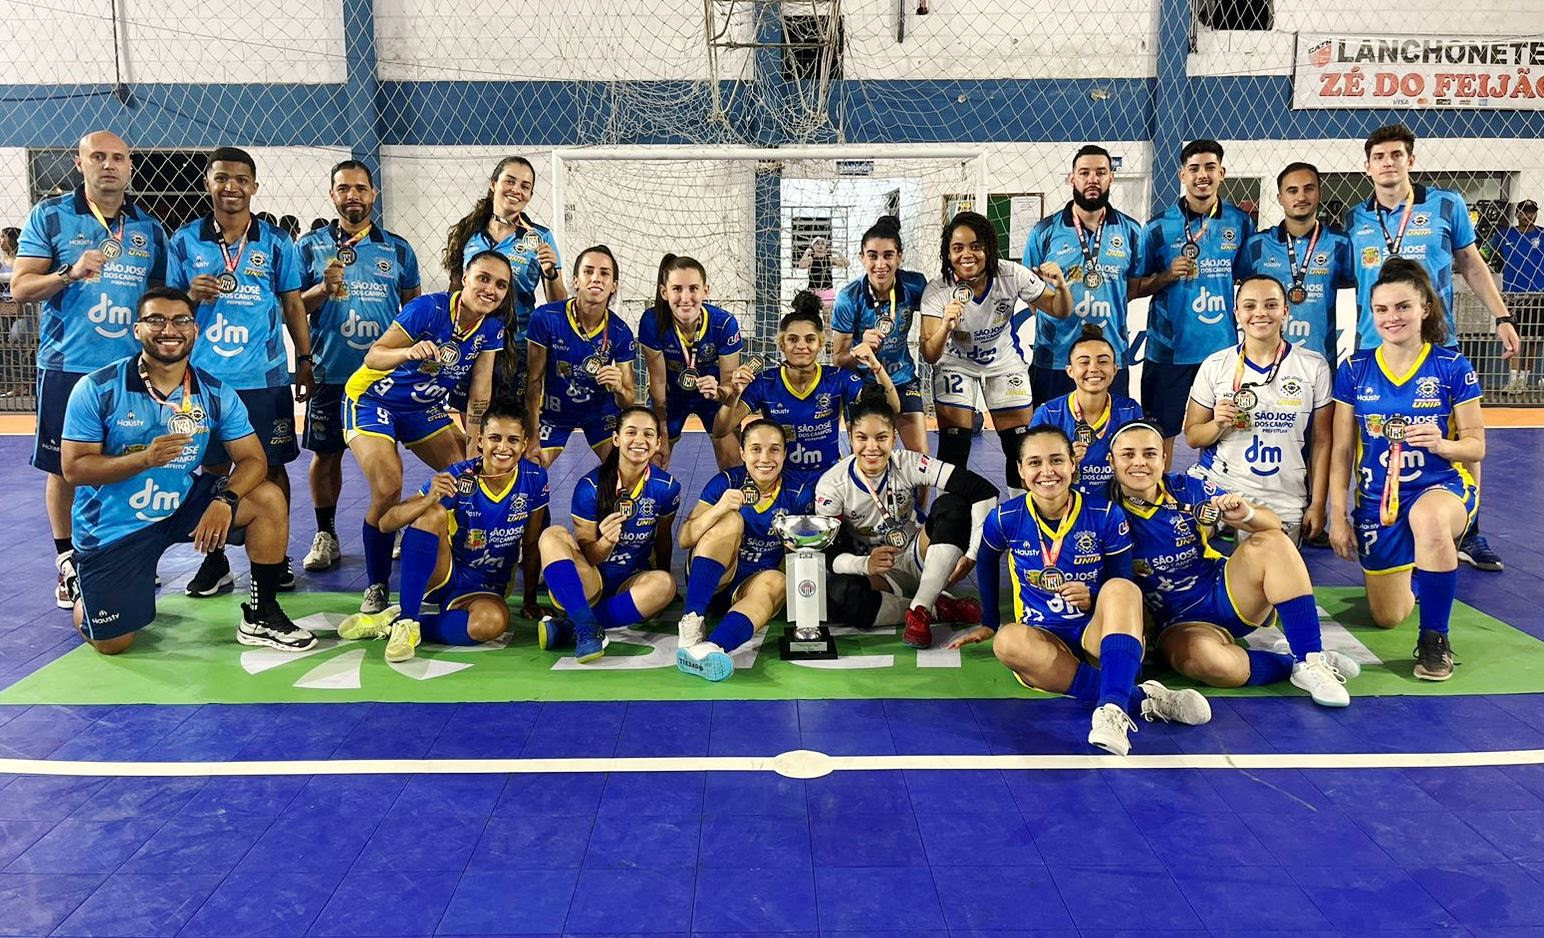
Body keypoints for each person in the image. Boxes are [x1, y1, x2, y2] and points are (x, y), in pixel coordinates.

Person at [59, 287, 315, 654]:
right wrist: (143, 459)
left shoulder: (213, 392)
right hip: (116, 527)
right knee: (113, 643)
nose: (169, 329)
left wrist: (225, 500)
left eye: (181, 320)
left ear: (195, 330)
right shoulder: (97, 388)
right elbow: (74, 468)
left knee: (268, 498)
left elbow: (253, 459)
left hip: (178, 505)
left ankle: (262, 613)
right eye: (156, 320)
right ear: (137, 329)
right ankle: (86, 586)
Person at [947, 426, 1212, 756]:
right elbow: (986, 562)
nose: (1047, 472)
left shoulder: (1103, 513)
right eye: (1034, 463)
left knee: (1120, 589)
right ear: (1020, 471)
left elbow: (1123, 579)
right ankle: (1139, 698)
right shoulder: (1005, 518)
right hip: (1044, 637)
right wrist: (989, 619)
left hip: (1095, 632)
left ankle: (1111, 711)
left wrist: (1094, 595)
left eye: (1057, 460)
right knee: (1007, 641)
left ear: (1073, 464)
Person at [1347, 123, 1516, 572]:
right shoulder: (1356, 219)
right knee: (1377, 440)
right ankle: (1376, 514)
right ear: (1367, 167)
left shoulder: (1446, 204)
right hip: (1374, 349)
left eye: (1396, 155)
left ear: (1410, 161)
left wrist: (1501, 316)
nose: (1388, 163)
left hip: (1437, 343)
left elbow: (1472, 265)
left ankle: (1469, 529)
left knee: (1457, 439)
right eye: (1379, 156)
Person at [12, 131, 168, 610]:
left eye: (118, 158)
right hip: (69, 366)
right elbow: (20, 289)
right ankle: (67, 563)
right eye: (97, 157)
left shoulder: (148, 228)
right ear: (79, 164)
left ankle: (121, 552)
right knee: (64, 467)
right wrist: (69, 273)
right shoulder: (51, 216)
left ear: (130, 166)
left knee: (130, 459)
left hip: (130, 370)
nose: (108, 166)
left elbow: (158, 300)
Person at [1109, 420, 1356, 706]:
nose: (1139, 462)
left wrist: (1246, 514)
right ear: (1111, 461)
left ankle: (1310, 658)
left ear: (1164, 458)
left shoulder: (1187, 487)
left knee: (1273, 542)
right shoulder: (1100, 508)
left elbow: (1273, 523)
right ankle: (1291, 664)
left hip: (1223, 592)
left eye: (1149, 454)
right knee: (1212, 665)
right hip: (1178, 623)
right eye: (1128, 454)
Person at [166, 146, 315, 598]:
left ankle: (276, 555)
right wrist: (189, 294)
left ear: (254, 186)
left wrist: (304, 361)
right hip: (204, 379)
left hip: (264, 376)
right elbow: (167, 309)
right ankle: (216, 562)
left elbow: (293, 304)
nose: (230, 186)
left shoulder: (274, 241)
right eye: (221, 178)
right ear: (207, 184)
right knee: (211, 468)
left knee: (270, 469)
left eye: (240, 179)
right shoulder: (185, 241)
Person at [1328, 259, 1485, 682]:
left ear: (1424, 310)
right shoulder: (1355, 369)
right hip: (1378, 500)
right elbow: (1342, 448)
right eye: (1381, 309)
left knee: (1430, 520)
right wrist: (1336, 514)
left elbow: (1476, 444)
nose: (1391, 317)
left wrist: (1442, 444)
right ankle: (1425, 571)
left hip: (1440, 487)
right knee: (1387, 616)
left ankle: (1436, 638)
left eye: (1402, 307)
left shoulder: (1451, 367)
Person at [344, 250, 510, 614]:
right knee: (388, 485)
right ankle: (377, 583)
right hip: (374, 399)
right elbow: (374, 356)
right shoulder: (427, 309)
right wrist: (407, 353)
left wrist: (473, 440)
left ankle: (435, 546)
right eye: (483, 278)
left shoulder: (492, 328)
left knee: (462, 471)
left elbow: (481, 389)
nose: (490, 289)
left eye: (500, 285)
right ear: (465, 278)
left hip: (423, 408)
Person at [335, 401, 547, 662]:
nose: (503, 447)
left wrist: (529, 600)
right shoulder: (460, 475)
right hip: (445, 573)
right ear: (480, 441)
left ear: (524, 444)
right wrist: (427, 499)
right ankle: (408, 621)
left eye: (512, 440)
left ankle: (396, 622)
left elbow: (533, 540)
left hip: (487, 586)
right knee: (432, 513)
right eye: (495, 438)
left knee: (490, 624)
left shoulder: (534, 478)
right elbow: (386, 523)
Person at [295, 160, 422, 573]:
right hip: (332, 370)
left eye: (361, 189)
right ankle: (326, 533)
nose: (353, 196)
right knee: (325, 454)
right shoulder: (310, 246)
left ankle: (394, 521)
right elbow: (292, 310)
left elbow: (415, 312)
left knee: (390, 454)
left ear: (374, 194)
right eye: (344, 188)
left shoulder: (398, 249)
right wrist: (321, 289)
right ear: (332, 194)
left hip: (384, 377)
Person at [813, 396, 998, 650]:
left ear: (894, 438)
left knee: (953, 504)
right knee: (838, 596)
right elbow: (829, 552)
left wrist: (973, 554)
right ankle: (934, 609)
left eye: (881, 437)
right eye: (862, 438)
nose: (871, 447)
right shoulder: (832, 484)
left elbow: (983, 490)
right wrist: (865, 563)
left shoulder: (907, 462)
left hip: (919, 553)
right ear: (851, 438)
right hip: (878, 570)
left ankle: (921, 606)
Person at [921, 211, 1071, 492]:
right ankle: (952, 520)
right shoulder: (938, 289)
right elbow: (929, 353)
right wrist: (945, 326)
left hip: (1002, 362)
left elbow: (1060, 309)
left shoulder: (1011, 274)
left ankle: (1021, 515)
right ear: (947, 253)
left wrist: (1061, 285)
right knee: (954, 445)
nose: (967, 255)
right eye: (958, 248)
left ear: (988, 247)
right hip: (956, 363)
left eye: (975, 246)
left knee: (1019, 445)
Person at [1184, 276, 1333, 544]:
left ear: (1285, 311)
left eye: (1271, 304)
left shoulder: (1313, 367)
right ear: (1237, 313)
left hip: (1282, 496)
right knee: (1184, 543)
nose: (1260, 313)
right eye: (1250, 306)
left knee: (1268, 567)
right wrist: (1217, 424)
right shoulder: (1216, 364)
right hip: (1217, 486)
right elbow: (1193, 437)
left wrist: (1319, 504)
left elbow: (1322, 441)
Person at [1137, 139, 1256, 467]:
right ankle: (1156, 499)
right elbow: (1133, 287)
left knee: (1227, 426)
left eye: (1209, 167)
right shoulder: (1159, 227)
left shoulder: (1241, 223)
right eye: (1194, 169)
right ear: (1182, 175)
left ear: (1222, 173)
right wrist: (1165, 276)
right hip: (1168, 349)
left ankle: (1220, 492)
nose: (1201, 175)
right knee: (1159, 433)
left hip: (1222, 349)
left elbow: (1251, 281)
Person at [673, 418, 814, 681]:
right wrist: (719, 508)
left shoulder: (799, 492)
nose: (765, 458)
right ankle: (692, 620)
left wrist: (797, 546)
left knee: (778, 580)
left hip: (751, 587)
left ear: (785, 454)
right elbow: (684, 539)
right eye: (756, 449)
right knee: (730, 520)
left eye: (774, 449)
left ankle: (712, 648)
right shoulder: (726, 482)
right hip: (716, 578)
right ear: (742, 453)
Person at [536, 407, 681, 662]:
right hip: (589, 580)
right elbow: (590, 555)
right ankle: (583, 622)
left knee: (665, 584)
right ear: (616, 439)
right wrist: (605, 542)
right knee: (552, 535)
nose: (639, 440)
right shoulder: (590, 486)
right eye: (631, 432)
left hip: (632, 580)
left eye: (648, 434)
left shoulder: (667, 487)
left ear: (658, 443)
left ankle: (573, 627)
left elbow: (663, 537)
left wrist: (663, 585)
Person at [713, 293, 896, 489]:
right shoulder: (765, 382)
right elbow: (720, 430)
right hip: (780, 481)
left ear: (820, 344)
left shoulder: (838, 378)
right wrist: (735, 394)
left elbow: (891, 407)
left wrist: (875, 366)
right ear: (782, 344)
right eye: (793, 339)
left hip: (830, 480)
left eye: (809, 339)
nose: (801, 346)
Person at [1022, 145, 1148, 406]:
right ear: (1072, 178)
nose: (1093, 179)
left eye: (1101, 172)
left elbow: (1133, 287)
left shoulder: (1131, 231)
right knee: (1051, 438)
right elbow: (1029, 292)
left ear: (1111, 177)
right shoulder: (1044, 231)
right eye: (1085, 172)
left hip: (1110, 357)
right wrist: (1058, 313)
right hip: (1055, 357)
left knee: (1111, 436)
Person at [444, 156, 566, 394]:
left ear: (530, 195)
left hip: (517, 345)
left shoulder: (541, 237)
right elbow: (455, 290)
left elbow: (558, 303)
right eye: (510, 181)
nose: (516, 190)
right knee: (474, 418)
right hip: (471, 341)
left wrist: (550, 272)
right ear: (493, 184)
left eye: (525, 186)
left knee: (512, 424)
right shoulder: (468, 232)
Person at [525, 245, 636, 468]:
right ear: (575, 281)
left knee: (624, 469)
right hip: (553, 413)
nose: (596, 278)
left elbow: (629, 400)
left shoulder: (621, 332)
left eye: (604, 273)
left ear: (614, 286)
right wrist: (533, 437)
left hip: (599, 413)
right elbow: (533, 383)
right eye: (588, 271)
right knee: (530, 470)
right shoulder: (546, 318)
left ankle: (603, 501)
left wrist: (619, 388)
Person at [1240, 162, 1357, 368]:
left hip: (1320, 361)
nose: (1301, 197)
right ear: (1280, 198)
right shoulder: (1257, 245)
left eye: (1309, 189)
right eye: (1292, 190)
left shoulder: (1340, 243)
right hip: (1264, 361)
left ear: (1319, 193)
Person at [831, 216, 930, 455]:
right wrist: (859, 350)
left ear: (899, 256)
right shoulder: (848, 298)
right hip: (861, 383)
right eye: (873, 255)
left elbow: (937, 308)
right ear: (862, 258)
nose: (880, 264)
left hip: (902, 378)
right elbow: (838, 359)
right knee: (867, 453)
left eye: (888, 255)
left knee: (920, 456)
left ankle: (918, 495)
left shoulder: (915, 285)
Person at [639, 254, 743, 470]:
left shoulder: (724, 323)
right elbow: (657, 385)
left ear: (706, 291)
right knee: (653, 460)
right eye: (677, 289)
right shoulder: (652, 322)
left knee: (734, 462)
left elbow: (729, 387)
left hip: (712, 398)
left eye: (693, 288)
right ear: (664, 292)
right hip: (670, 397)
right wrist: (662, 431)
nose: (685, 298)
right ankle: (651, 502)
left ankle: (736, 502)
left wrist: (718, 393)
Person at [1030, 323, 1144, 493]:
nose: (1093, 368)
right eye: (1084, 362)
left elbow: (1144, 468)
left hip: (1117, 505)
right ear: (1070, 370)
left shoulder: (1130, 411)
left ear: (1114, 369)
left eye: (1103, 361)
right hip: (1066, 502)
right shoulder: (1048, 414)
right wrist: (1063, 461)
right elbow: (1029, 474)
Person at [1489, 199, 1544, 391]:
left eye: (1532, 212)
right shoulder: (1504, 235)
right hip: (1512, 294)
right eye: (1524, 212)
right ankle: (1512, 380)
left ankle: (1524, 379)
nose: (1528, 216)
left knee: (1532, 340)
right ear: (1517, 214)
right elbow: (1484, 254)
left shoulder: (1542, 235)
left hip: (1538, 296)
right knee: (1513, 337)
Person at [795, 236, 848, 312]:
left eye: (822, 243)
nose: (820, 245)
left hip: (827, 289)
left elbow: (846, 263)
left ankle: (826, 324)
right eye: (817, 243)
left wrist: (838, 253)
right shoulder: (811, 259)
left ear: (826, 247)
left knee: (827, 316)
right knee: (813, 314)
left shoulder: (829, 259)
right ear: (813, 247)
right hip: (813, 290)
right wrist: (806, 253)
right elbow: (801, 265)